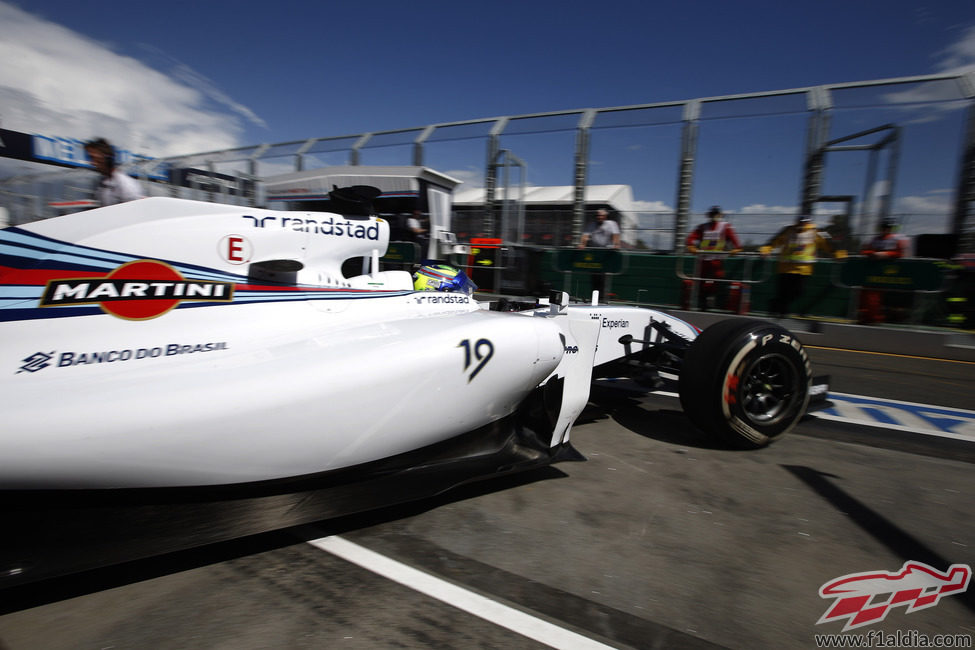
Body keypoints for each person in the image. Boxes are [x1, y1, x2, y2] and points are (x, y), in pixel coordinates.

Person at [761, 214, 844, 318]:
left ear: (808, 223)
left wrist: (838, 254)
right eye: (799, 222)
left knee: (798, 291)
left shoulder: (817, 232)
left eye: (804, 222)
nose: (801, 224)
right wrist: (765, 250)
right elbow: (773, 241)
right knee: (782, 291)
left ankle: (778, 307)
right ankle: (781, 311)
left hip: (803, 269)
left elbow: (829, 245)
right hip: (785, 267)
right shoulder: (788, 230)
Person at [685, 206, 742, 310]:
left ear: (720, 215)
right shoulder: (702, 227)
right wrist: (691, 246)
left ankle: (718, 302)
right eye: (712, 214)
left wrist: (736, 249)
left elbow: (735, 240)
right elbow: (691, 238)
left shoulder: (726, 226)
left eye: (716, 214)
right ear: (709, 215)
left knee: (718, 279)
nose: (714, 216)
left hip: (717, 259)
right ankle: (703, 303)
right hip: (704, 258)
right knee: (701, 281)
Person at [858, 218, 911, 324]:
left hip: (891, 272)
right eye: (883, 228)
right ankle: (868, 317)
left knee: (886, 296)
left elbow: (899, 253)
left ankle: (881, 317)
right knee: (869, 293)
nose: (885, 230)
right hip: (874, 271)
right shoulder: (875, 239)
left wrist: (886, 254)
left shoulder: (896, 239)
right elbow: (865, 251)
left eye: (888, 228)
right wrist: (873, 253)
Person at [84, 138, 144, 206]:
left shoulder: (126, 185)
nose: (92, 163)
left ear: (107, 158)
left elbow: (134, 211)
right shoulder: (102, 183)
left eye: (94, 158)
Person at [577, 209, 621, 297]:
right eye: (598, 216)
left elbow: (616, 236)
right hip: (595, 254)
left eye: (601, 216)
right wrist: (582, 244)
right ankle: (594, 297)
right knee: (595, 276)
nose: (599, 217)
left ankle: (603, 298)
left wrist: (616, 244)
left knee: (604, 277)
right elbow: (585, 236)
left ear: (605, 216)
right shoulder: (591, 225)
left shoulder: (611, 224)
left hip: (607, 254)